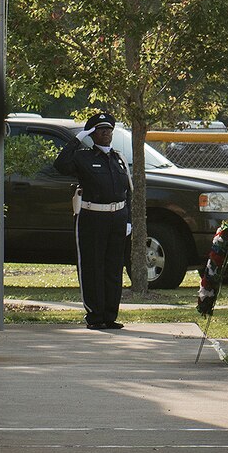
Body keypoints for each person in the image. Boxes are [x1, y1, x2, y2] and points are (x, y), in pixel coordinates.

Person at [57, 110, 133, 330]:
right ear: (92, 134)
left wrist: (128, 219)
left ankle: (110, 315)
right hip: (92, 217)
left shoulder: (118, 159)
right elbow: (60, 165)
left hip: (117, 218)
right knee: (92, 267)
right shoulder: (83, 157)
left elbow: (126, 192)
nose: (106, 134)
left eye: (108, 130)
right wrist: (78, 138)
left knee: (113, 267)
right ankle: (95, 315)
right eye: (100, 130)